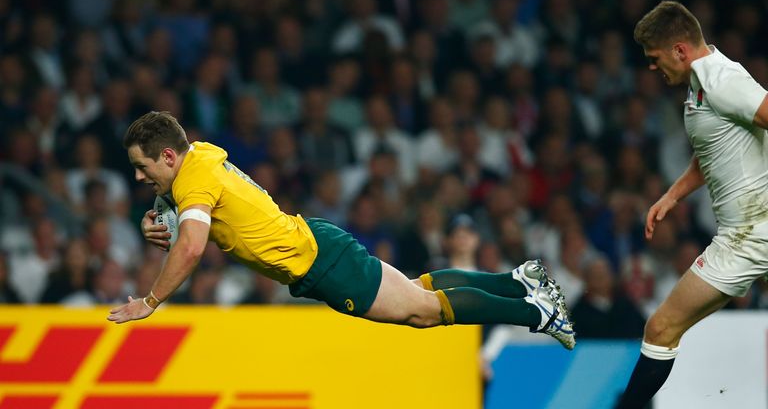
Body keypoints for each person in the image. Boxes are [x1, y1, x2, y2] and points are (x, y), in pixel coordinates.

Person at [106, 111, 575, 350]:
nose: (138, 177)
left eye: (141, 166)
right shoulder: (199, 153)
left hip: (321, 265)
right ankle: (519, 281)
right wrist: (156, 210)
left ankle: (535, 313)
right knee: (417, 293)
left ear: (168, 156)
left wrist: (149, 302)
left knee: (424, 312)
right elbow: (181, 196)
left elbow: (189, 249)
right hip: (316, 240)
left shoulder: (195, 181)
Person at [616, 1, 768, 408]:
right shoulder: (704, 84)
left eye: (655, 58)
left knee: (661, 327)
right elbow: (712, 150)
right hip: (755, 231)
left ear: (680, 51)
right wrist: (672, 195)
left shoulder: (721, 80)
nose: (652, 67)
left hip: (748, 237)